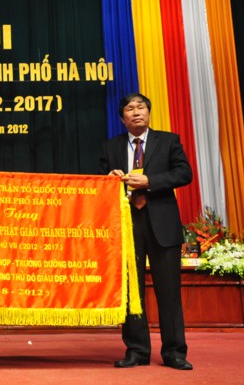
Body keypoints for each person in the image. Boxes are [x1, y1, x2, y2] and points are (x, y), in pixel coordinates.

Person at [98, 92, 193, 371]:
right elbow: (99, 181)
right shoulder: (111, 146)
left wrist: (150, 181)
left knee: (169, 291)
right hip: (127, 224)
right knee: (132, 292)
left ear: (149, 113)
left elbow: (184, 174)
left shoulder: (169, 141)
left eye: (141, 107)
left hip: (162, 223)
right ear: (122, 118)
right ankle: (137, 350)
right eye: (130, 108)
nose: (136, 112)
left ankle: (174, 352)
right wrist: (109, 180)